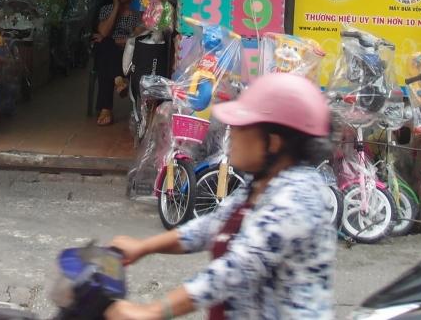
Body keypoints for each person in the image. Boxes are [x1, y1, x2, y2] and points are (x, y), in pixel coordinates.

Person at [104, 73, 336, 320]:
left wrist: (152, 311)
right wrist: (143, 247)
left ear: (273, 142)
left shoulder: (299, 198)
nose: (231, 131)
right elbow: (212, 226)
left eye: (242, 125)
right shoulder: (261, 182)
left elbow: (236, 269)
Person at [93, 0, 140, 126]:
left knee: (106, 45)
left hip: (126, 55)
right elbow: (104, 31)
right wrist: (115, 7)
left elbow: (136, 38)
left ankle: (106, 109)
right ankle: (118, 80)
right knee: (105, 46)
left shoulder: (137, 14)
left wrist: (115, 41)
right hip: (107, 52)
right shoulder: (106, 10)